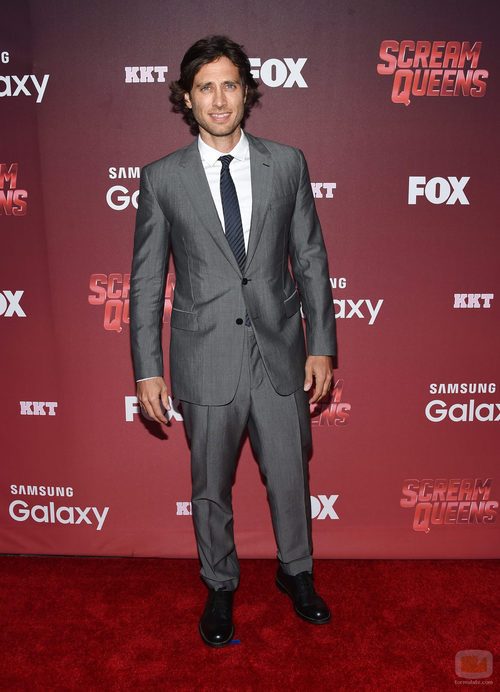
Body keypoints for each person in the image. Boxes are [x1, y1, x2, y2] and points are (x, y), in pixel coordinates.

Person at [130, 35, 337, 647]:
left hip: (280, 350)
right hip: (204, 355)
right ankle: (220, 584)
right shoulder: (162, 178)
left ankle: (296, 572)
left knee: (290, 474)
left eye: (229, 85)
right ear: (186, 99)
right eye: (205, 88)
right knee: (209, 485)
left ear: (247, 93)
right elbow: (146, 281)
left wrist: (322, 344)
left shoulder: (288, 164)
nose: (218, 100)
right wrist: (147, 367)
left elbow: (311, 259)